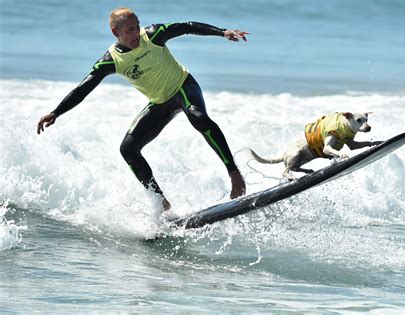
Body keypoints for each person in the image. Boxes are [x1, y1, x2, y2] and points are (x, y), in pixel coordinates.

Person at [37, 7, 247, 212]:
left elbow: (188, 26)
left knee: (198, 117)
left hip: (183, 87)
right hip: (159, 103)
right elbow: (83, 88)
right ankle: (161, 203)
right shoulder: (112, 60)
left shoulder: (154, 35)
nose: (136, 33)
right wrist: (56, 112)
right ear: (115, 33)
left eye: (136, 27)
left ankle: (234, 174)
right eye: (129, 30)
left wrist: (223, 32)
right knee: (128, 148)